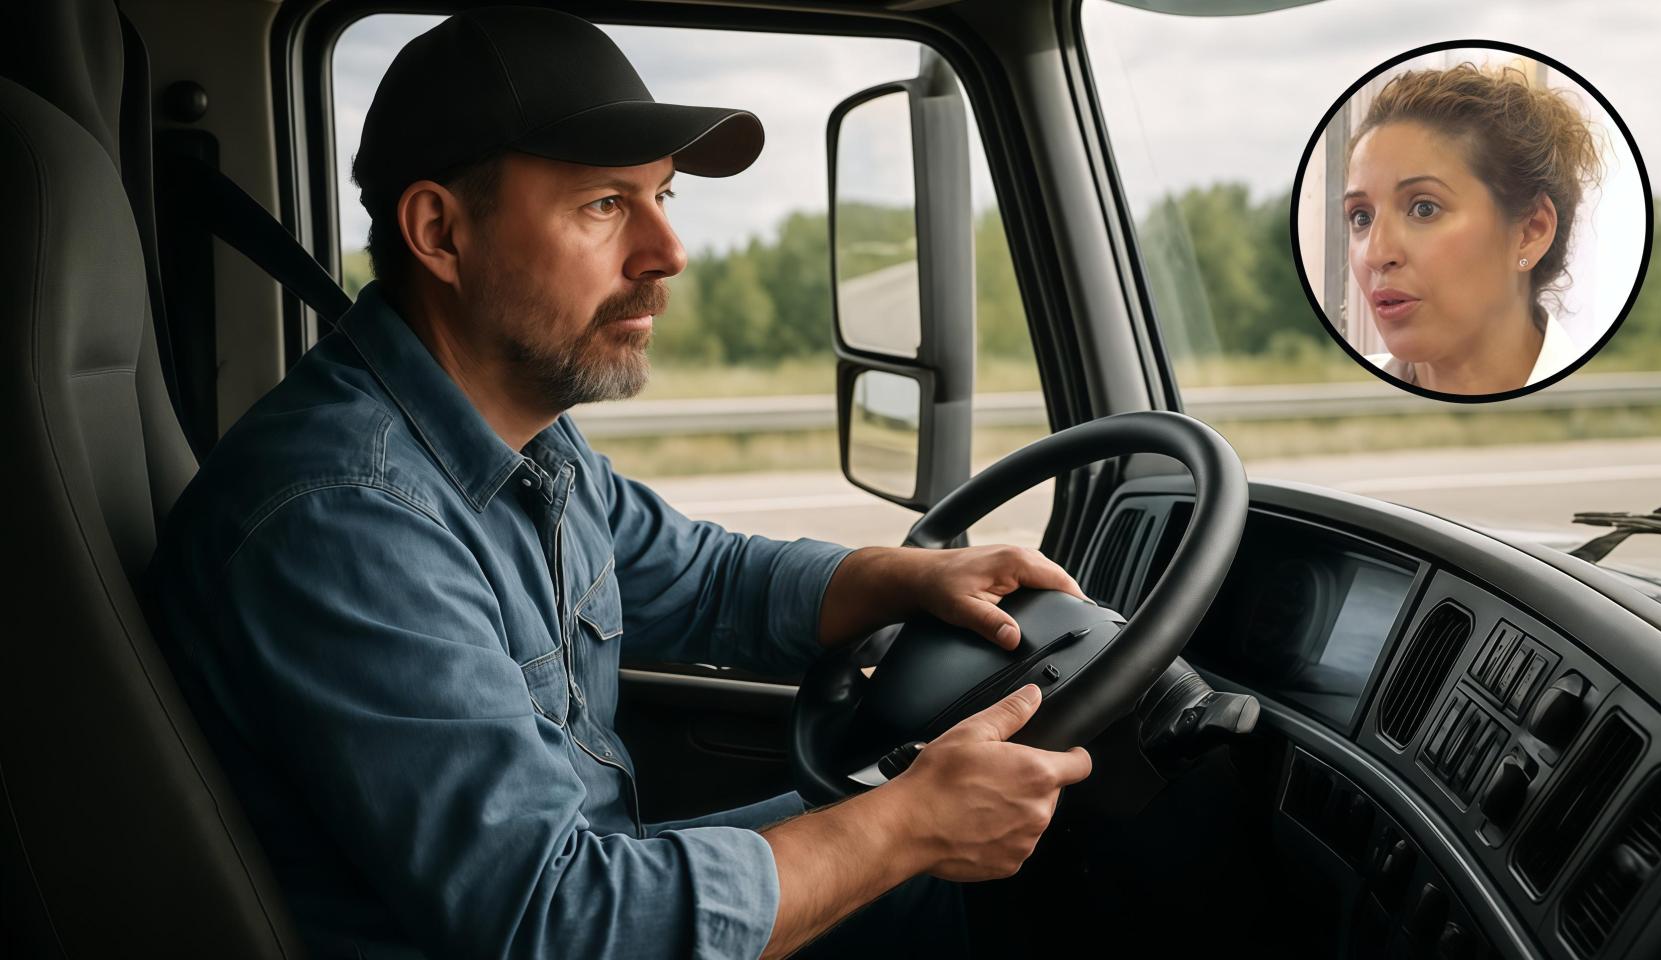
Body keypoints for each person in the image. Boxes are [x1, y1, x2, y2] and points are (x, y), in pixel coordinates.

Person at [142, 7, 1094, 959]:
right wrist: (904, 829)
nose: (666, 252)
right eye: (604, 204)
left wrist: (903, 578)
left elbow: (702, 578)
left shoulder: (524, 439)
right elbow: (556, 923)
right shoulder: (351, 519)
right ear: (440, 231)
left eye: (662, 196)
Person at [1342, 61, 1604, 395]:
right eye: (1361, 217)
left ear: (1530, 232)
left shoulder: (1606, 406)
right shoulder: (1337, 401)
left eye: (1424, 208)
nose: (1376, 254)